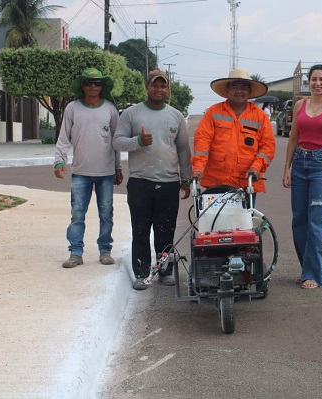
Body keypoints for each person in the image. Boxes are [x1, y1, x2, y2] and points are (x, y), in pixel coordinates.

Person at [113, 70, 192, 291]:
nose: (159, 89)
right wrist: (138, 141)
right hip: (140, 181)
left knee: (165, 230)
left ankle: (165, 271)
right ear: (147, 87)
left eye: (163, 86)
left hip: (168, 183)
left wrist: (185, 179)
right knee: (140, 230)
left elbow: (184, 149)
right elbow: (117, 142)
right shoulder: (131, 114)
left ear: (167, 90)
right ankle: (141, 273)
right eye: (155, 85)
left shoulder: (176, 116)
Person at [282, 64, 322, 289]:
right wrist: (287, 167)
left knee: (317, 221)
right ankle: (306, 268)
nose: (317, 83)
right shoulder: (301, 105)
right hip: (300, 163)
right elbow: (292, 138)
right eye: (314, 79)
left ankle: (314, 273)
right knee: (299, 220)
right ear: (308, 82)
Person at [54, 67, 123, 268]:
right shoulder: (72, 108)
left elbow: (116, 141)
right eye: (89, 83)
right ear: (82, 85)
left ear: (103, 86)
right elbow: (64, 137)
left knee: (106, 213)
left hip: (106, 173)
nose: (93, 87)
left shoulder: (110, 109)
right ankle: (75, 252)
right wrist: (59, 161)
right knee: (77, 213)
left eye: (98, 83)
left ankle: (105, 250)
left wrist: (118, 168)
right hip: (80, 173)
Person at [191, 69, 275, 199]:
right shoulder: (214, 112)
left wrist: (256, 167)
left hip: (247, 182)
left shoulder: (260, 116)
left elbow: (268, 146)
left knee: (244, 219)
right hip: (216, 181)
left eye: (243, 87)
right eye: (235, 87)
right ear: (227, 90)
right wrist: (198, 168)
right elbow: (202, 140)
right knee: (214, 219)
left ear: (249, 91)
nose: (239, 91)